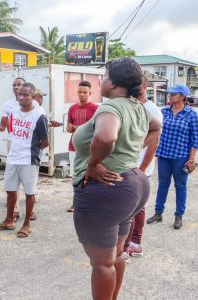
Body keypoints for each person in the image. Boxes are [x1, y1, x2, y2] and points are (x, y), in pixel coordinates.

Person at [72, 58, 161, 300]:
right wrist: (131, 150)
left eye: (105, 75)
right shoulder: (138, 107)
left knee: (102, 263)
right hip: (133, 185)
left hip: (107, 189)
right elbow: (155, 127)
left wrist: (92, 164)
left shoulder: (110, 108)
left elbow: (106, 138)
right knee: (116, 254)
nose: (102, 80)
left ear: (114, 82)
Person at [0, 82, 49, 238]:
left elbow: (45, 141)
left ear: (33, 96)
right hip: (12, 158)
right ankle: (9, 220)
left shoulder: (39, 115)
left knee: (30, 193)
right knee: (11, 191)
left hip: (29, 160)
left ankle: (26, 225)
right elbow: (12, 132)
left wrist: (32, 152)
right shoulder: (14, 111)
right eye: (20, 95)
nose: (21, 97)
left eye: (25, 95)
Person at [122, 76, 163, 263]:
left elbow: (153, 143)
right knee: (133, 208)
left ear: (145, 87)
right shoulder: (130, 105)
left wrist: (142, 169)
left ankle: (132, 244)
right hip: (127, 165)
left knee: (135, 208)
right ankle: (131, 243)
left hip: (140, 168)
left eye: (137, 85)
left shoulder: (153, 110)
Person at [147, 84, 198, 229]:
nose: (170, 95)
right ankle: (158, 213)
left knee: (180, 186)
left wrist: (191, 160)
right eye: (170, 93)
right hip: (164, 155)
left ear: (182, 96)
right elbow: (156, 132)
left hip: (181, 157)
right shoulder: (164, 112)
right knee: (163, 184)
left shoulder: (191, 114)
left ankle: (178, 216)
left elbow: (196, 138)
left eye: (174, 94)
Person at [66, 81, 98, 212]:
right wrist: (69, 128)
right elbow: (68, 127)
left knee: (90, 175)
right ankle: (76, 202)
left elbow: (98, 128)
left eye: (85, 92)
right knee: (76, 176)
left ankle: (91, 202)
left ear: (90, 93)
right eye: (80, 92)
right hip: (73, 147)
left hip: (90, 149)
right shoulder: (72, 108)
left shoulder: (95, 108)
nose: (82, 94)